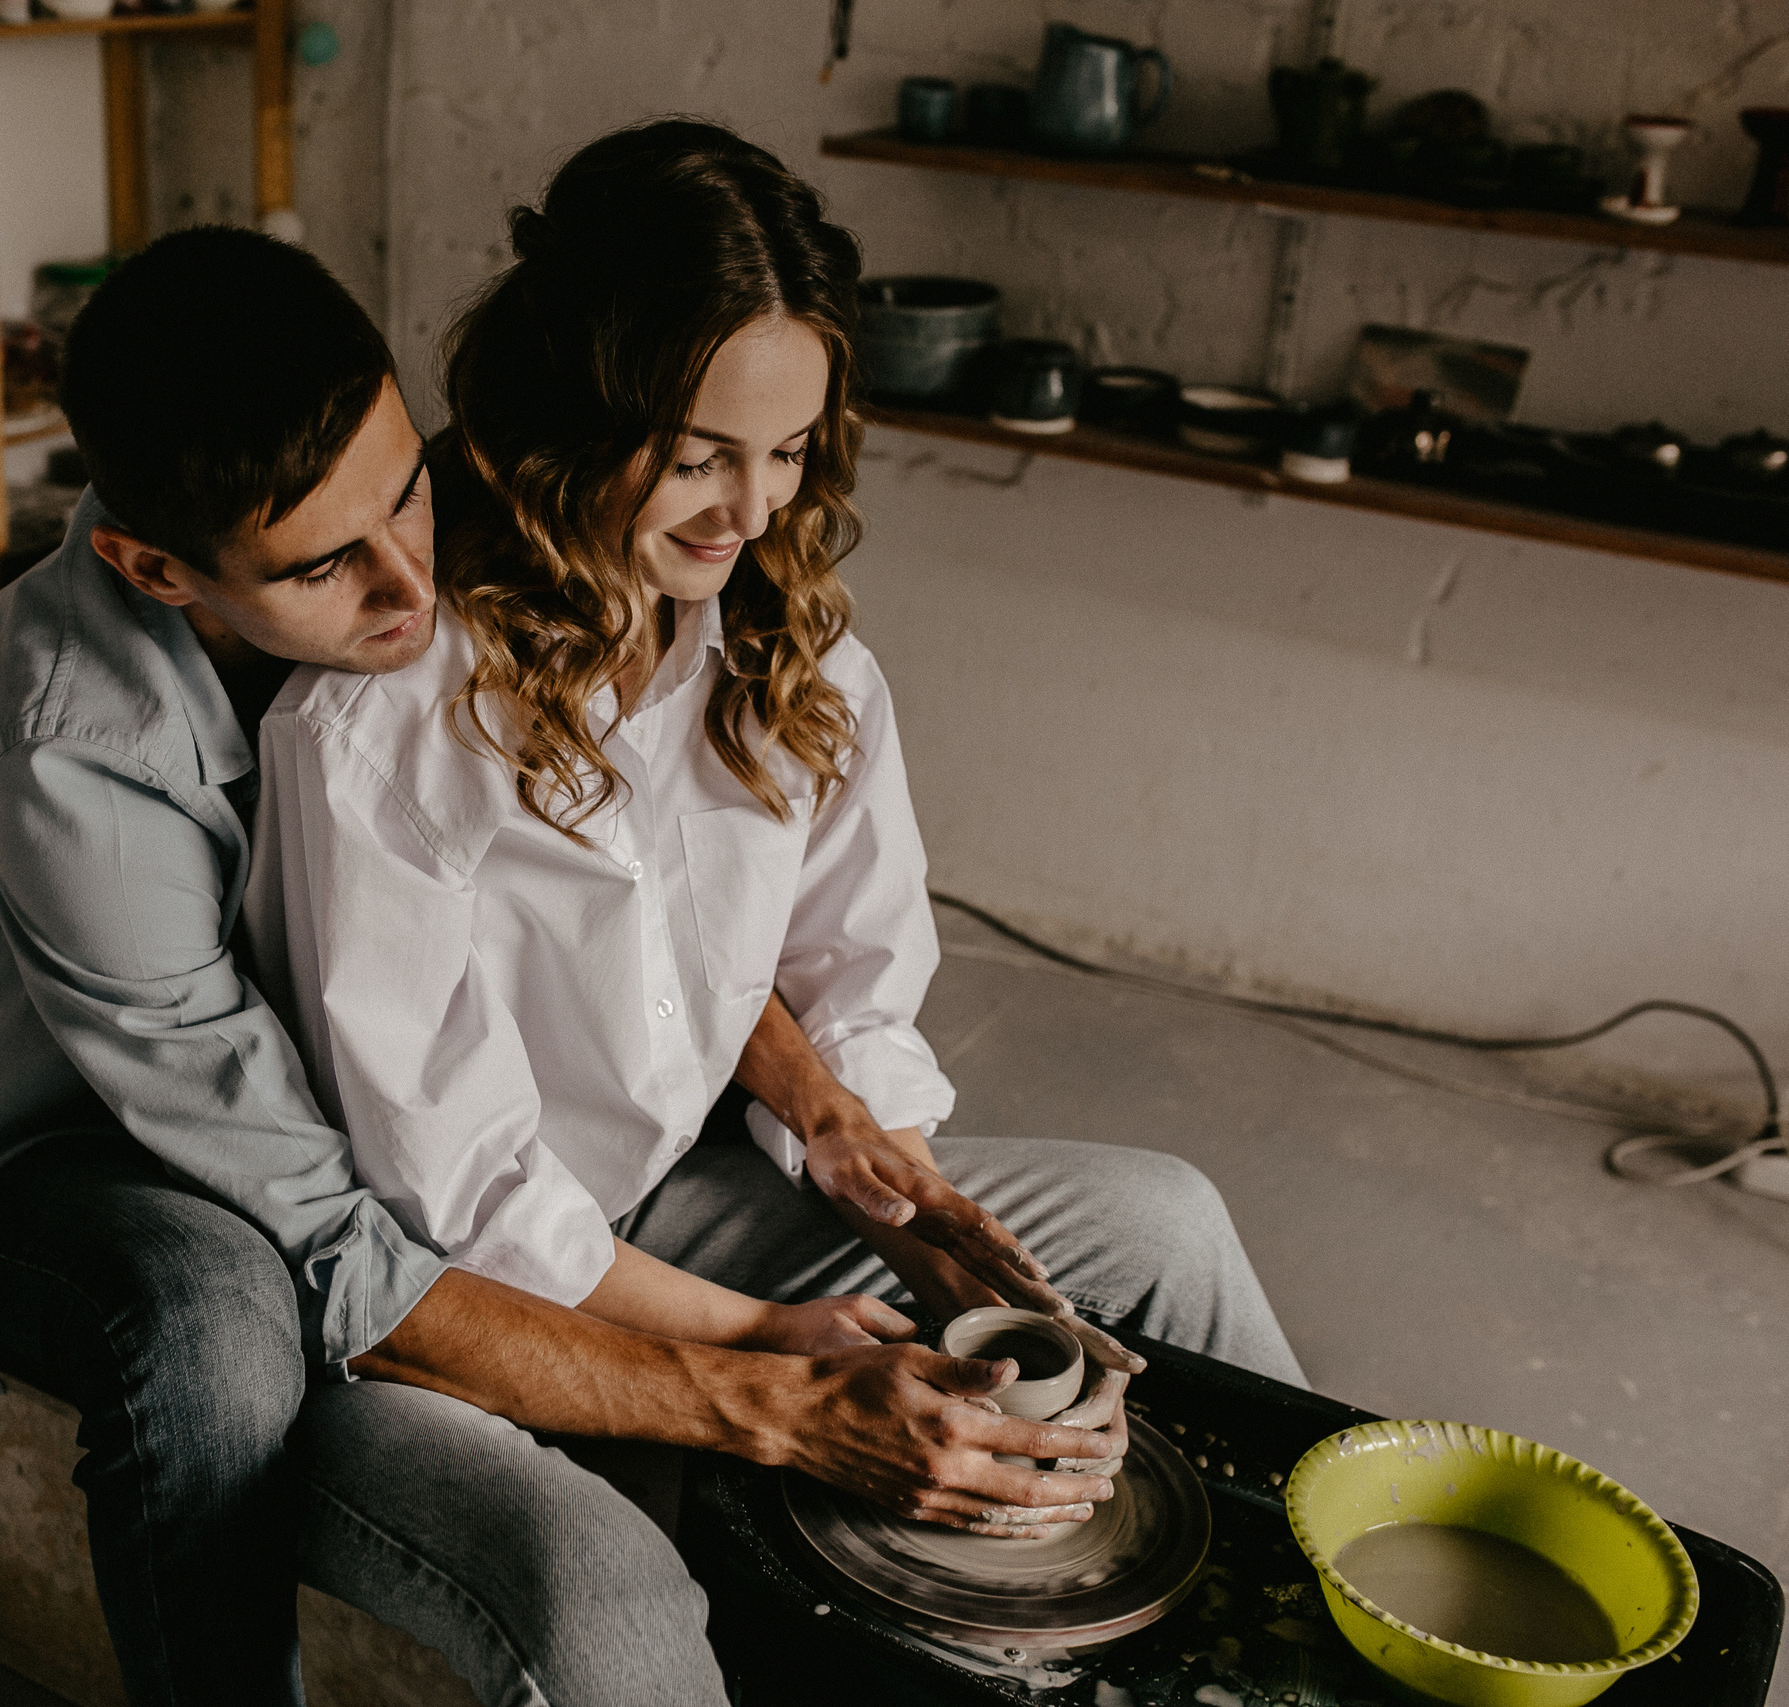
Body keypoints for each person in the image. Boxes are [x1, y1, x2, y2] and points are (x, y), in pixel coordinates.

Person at [0, 223, 1222, 1707]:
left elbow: (659, 932)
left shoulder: (522, 580)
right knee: (216, 1324)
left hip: (385, 1133)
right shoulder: (81, 762)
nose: (410, 588)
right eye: (323, 567)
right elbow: (337, 1231)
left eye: (407, 498)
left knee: (1161, 1228)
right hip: (86, 1156)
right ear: (153, 567)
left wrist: (836, 1121)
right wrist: (769, 1391)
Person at [247, 118, 1307, 1697]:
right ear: (569, 413)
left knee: (1166, 1224)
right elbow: (460, 1202)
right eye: (698, 454)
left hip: (659, 1198)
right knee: (615, 1624)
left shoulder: (790, 661)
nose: (750, 512)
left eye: (792, 451)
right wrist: (763, 1345)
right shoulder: (387, 731)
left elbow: (813, 975)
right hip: (450, 1302)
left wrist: (882, 1167)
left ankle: (1298, 1635)